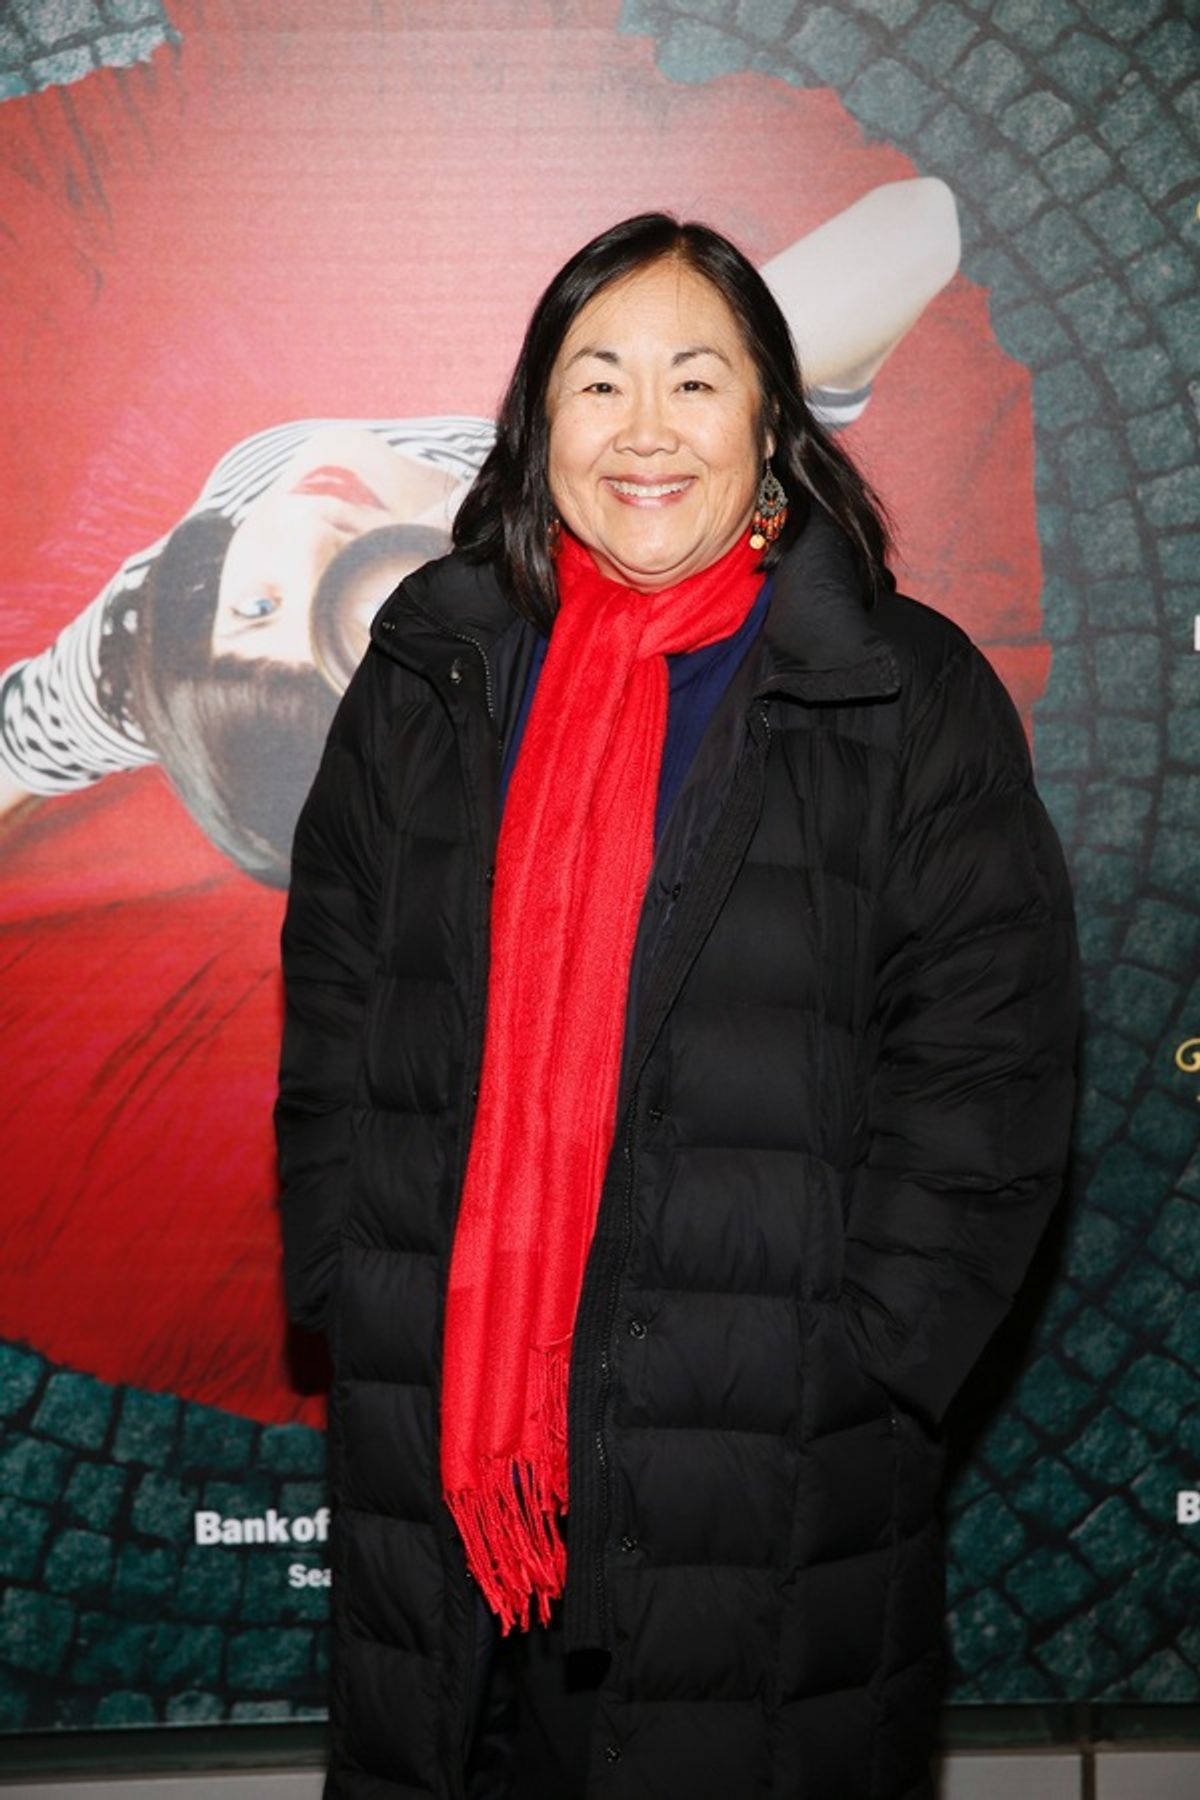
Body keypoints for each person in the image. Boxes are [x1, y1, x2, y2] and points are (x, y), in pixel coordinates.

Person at [274, 212, 1079, 1798]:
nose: (645, 430)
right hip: (449, 1454)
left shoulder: (901, 693)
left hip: (761, 1468)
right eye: (600, 382)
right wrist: (348, 1272)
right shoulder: (432, 668)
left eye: (695, 382)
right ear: (539, 422)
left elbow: (992, 1063)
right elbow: (340, 991)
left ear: (771, 423)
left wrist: (868, 1356)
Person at [0, 180, 960, 885]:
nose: (309, 540)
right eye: (365, 631)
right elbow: (920, 229)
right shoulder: (613, 532)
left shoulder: (145, 638)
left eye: (256, 605)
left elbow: (12, 752)